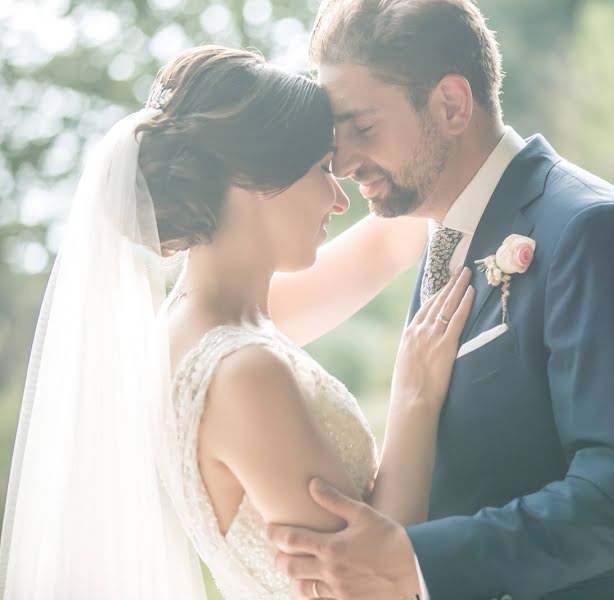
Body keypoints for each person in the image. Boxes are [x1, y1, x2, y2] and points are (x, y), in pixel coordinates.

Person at [265, 1, 614, 598]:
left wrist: (414, 558)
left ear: (451, 104)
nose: (345, 162)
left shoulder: (593, 229)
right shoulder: (440, 227)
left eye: (364, 128)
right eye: (337, 136)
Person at [0, 45, 473, 599]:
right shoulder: (240, 370)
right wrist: (414, 397)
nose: (339, 197)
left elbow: (384, 246)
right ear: (253, 178)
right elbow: (378, 587)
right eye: (323, 168)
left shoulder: (203, 323)